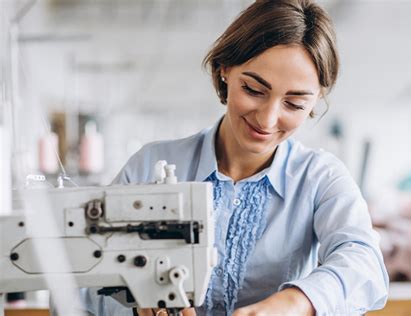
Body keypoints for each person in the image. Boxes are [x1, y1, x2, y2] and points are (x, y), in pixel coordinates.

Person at [80, 0, 389, 315]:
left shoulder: (321, 178)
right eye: (254, 90)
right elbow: (82, 280)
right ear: (225, 69)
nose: (268, 120)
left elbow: (365, 264)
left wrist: (296, 303)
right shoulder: (149, 164)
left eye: (294, 104)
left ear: (315, 101)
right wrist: (136, 307)